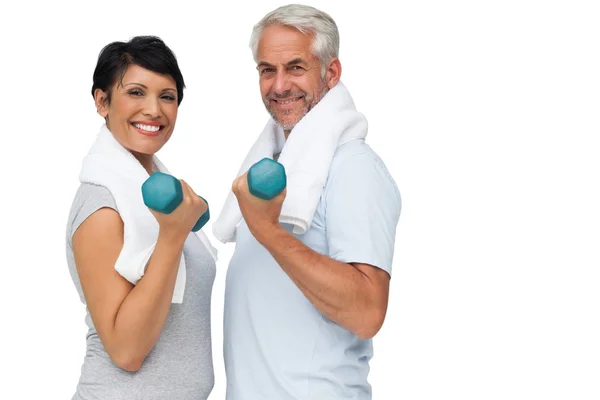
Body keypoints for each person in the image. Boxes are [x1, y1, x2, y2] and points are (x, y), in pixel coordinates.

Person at [212, 4, 402, 400]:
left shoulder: (353, 168)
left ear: (330, 73)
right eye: (267, 70)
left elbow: (368, 312)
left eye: (295, 68)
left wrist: (267, 230)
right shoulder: (277, 167)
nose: (279, 86)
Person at [65, 36, 216, 400]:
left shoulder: (153, 193)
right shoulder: (103, 207)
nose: (154, 110)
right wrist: (173, 235)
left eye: (167, 96)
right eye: (136, 92)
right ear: (102, 101)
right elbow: (126, 350)